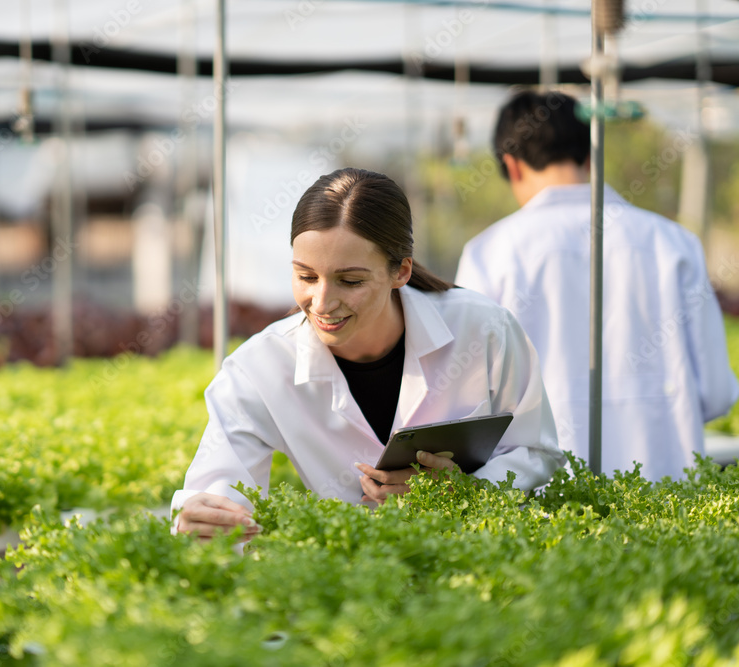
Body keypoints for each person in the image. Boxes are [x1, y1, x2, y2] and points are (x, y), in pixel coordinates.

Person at [173, 167, 565, 538]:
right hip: (350, 582)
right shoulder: (260, 367)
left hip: (470, 565)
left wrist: (464, 492)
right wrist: (202, 515)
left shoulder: (483, 330)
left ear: (401, 271)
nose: (322, 303)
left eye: (350, 281)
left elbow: (536, 451)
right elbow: (218, 485)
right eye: (306, 276)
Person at [455, 90, 739, 481]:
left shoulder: (490, 253)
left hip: (538, 503)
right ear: (591, 154)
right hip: (667, 500)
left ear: (512, 166)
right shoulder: (673, 244)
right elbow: (717, 393)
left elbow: (469, 399)